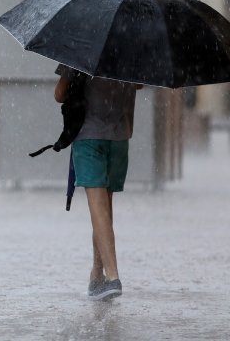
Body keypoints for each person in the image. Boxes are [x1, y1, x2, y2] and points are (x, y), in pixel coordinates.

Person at [54, 64, 142, 301]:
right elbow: (139, 83)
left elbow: (59, 94)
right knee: (105, 209)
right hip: (119, 135)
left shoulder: (79, 43)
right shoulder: (130, 46)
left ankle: (113, 277)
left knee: (98, 209)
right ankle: (97, 274)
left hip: (88, 134)